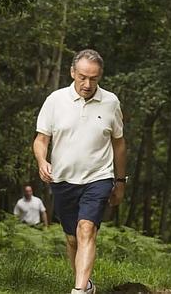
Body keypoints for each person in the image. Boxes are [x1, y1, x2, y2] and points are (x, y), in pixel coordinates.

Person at [33, 49, 127, 294]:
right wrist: (42, 161)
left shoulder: (111, 102)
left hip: (98, 177)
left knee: (86, 228)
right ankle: (86, 285)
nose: (87, 84)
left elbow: (119, 143)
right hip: (63, 179)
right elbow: (41, 139)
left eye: (93, 78)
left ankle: (78, 291)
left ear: (100, 76)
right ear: (72, 72)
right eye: (82, 77)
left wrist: (120, 181)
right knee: (73, 238)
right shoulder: (55, 100)